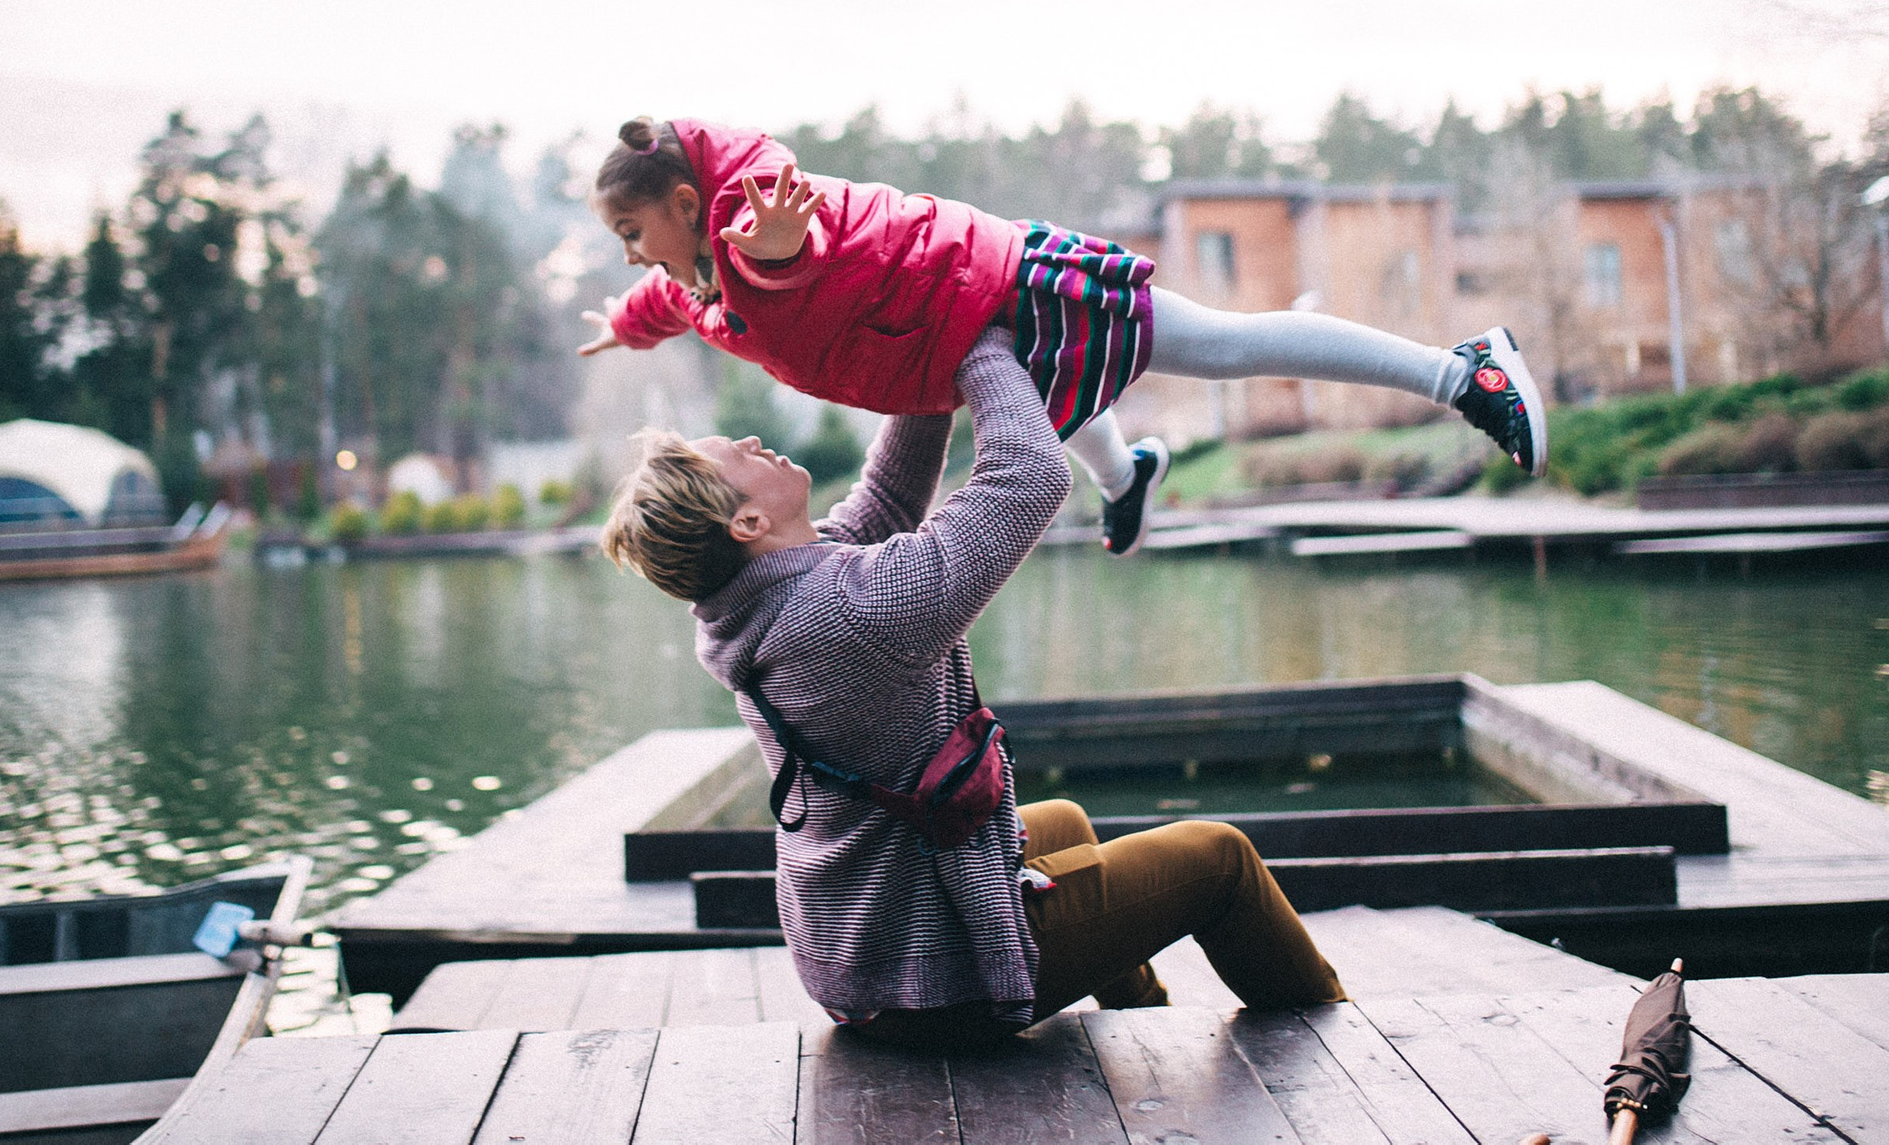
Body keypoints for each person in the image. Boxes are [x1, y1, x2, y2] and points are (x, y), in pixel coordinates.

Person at [598, 327, 1345, 1046]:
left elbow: (888, 499)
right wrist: (984, 339)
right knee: (1219, 857)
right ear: (750, 520)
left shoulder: (768, 601)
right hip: (937, 987)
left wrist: (932, 341)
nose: (756, 441)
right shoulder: (847, 611)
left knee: (1064, 823)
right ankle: (1340, 1041)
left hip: (870, 968)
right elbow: (1030, 475)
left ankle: (1143, 1023)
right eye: (741, 455)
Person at [579, 115, 1545, 554]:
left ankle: (1462, 374)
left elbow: (821, 247)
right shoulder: (703, 287)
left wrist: (785, 248)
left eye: (632, 234)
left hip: (1005, 289)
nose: (631, 255)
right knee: (1067, 406)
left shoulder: (773, 232)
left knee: (1222, 346)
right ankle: (1131, 482)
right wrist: (627, 325)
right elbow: (675, 306)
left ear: (682, 201)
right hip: (953, 345)